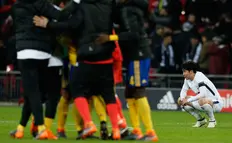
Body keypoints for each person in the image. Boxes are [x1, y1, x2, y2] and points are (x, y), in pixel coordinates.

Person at [33, 0, 121, 140]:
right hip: (106, 57)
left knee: (77, 90)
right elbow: (118, 21)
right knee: (108, 95)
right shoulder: (109, 4)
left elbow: (70, 25)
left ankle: (88, 123)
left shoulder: (82, 5)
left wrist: (48, 24)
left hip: (87, 57)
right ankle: (116, 130)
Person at [9, 0, 79, 139]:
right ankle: (28, 128)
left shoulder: (16, 7)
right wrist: (75, 3)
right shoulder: (40, 4)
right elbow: (61, 15)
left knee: (32, 92)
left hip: (23, 51)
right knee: (35, 93)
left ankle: (35, 128)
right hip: (42, 52)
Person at [95, 0, 158, 141]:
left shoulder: (128, 10)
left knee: (138, 90)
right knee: (129, 92)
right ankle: (136, 129)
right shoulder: (130, 8)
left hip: (138, 55)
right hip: (133, 55)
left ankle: (150, 132)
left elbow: (134, 35)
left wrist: (110, 38)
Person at [178, 61, 223, 128]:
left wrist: (188, 100)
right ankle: (201, 120)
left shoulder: (199, 76)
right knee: (180, 100)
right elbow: (183, 91)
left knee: (201, 100)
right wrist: (182, 99)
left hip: (216, 103)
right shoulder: (187, 79)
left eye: (185, 71)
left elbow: (203, 94)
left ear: (191, 71)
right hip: (202, 102)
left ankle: (212, 121)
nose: (183, 74)